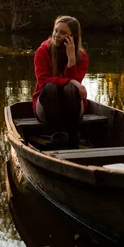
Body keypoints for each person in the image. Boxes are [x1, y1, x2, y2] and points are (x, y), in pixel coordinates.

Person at [32, 15, 89, 148]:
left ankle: (73, 133)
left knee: (70, 89)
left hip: (72, 110)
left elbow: (75, 88)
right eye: (56, 30)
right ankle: (57, 134)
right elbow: (43, 81)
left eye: (63, 33)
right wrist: (71, 81)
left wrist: (71, 59)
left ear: (73, 36)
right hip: (46, 108)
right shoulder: (42, 52)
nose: (57, 35)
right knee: (50, 86)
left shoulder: (83, 57)